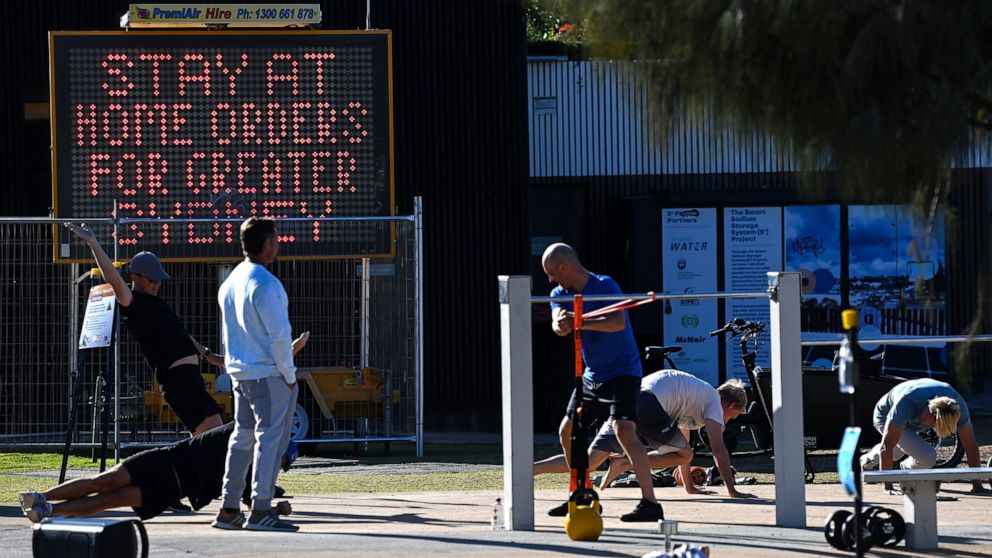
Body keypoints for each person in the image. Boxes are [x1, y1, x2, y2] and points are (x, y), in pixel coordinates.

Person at [65, 223, 225, 437]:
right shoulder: (133, 304)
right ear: (135, 277)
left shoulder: (157, 303)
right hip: (178, 381)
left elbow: (180, 335)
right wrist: (93, 242)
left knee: (209, 440)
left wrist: (210, 356)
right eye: (152, 279)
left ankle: (188, 468)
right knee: (215, 438)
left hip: (190, 378)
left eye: (159, 278)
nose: (157, 283)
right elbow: (113, 278)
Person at [541, 242, 661, 522]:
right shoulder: (559, 292)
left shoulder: (605, 285)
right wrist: (562, 323)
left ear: (564, 267)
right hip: (591, 375)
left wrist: (581, 322)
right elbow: (558, 322)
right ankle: (583, 492)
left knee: (624, 432)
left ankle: (650, 503)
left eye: (551, 272)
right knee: (566, 430)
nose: (550, 279)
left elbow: (617, 322)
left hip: (622, 372)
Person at [535, 370, 757, 500]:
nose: (730, 420)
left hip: (628, 399)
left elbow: (682, 443)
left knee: (589, 462)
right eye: (733, 415)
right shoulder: (712, 400)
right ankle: (624, 463)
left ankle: (530, 469)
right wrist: (733, 491)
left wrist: (688, 487)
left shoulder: (694, 398)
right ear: (728, 403)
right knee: (685, 454)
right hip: (649, 402)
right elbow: (718, 450)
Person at [18, 422, 297, 523]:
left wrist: (276, 510)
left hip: (172, 489)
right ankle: (39, 496)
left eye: (280, 465)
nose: (275, 465)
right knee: (105, 481)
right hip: (166, 459)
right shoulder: (242, 431)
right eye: (279, 457)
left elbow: (252, 510)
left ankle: (48, 512)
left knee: (110, 500)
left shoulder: (247, 476)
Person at [213, 217, 300, 532]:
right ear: (266, 244)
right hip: (268, 374)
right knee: (269, 439)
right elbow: (279, 336)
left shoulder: (231, 281)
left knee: (241, 438)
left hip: (240, 373)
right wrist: (289, 375)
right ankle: (261, 508)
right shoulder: (266, 283)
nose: (277, 244)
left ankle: (229, 507)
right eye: (275, 240)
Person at [860, 378, 985, 493]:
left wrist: (977, 485)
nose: (927, 424)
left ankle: (898, 468)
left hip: (908, 415)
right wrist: (887, 487)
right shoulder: (907, 403)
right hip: (885, 414)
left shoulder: (959, 409)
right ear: (931, 409)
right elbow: (886, 446)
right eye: (932, 422)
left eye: (934, 427)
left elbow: (970, 445)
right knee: (920, 455)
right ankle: (868, 463)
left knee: (901, 450)